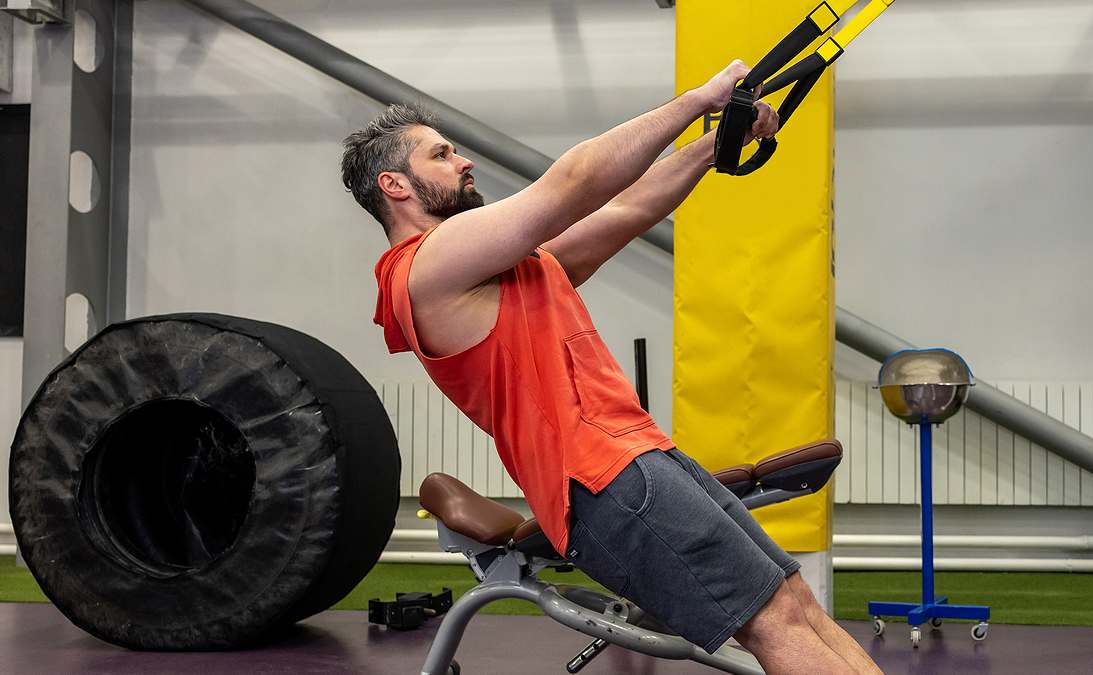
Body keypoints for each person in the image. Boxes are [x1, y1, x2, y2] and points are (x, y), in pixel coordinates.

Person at [342, 60, 881, 675]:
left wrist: (716, 143)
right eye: (441, 156)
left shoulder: (502, 271)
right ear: (395, 186)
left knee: (795, 605)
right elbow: (571, 185)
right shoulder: (423, 268)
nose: (463, 161)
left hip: (638, 455)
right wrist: (696, 100)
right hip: (598, 479)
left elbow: (623, 212)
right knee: (772, 625)